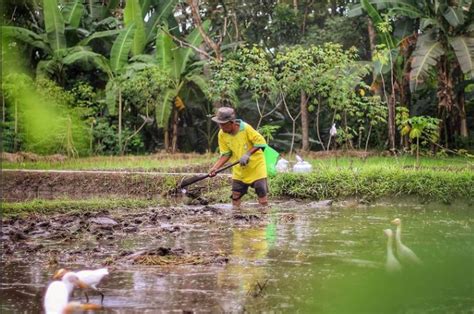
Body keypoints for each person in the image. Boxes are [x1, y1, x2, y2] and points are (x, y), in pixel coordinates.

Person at [209, 107, 269, 211]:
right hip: (239, 169)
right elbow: (226, 154)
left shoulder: (246, 129)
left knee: (261, 192)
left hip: (256, 167)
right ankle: (236, 216)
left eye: (223, 124)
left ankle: (264, 217)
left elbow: (261, 142)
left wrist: (247, 154)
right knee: (235, 196)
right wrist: (215, 168)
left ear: (232, 122)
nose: (221, 127)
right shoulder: (222, 134)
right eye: (219, 124)